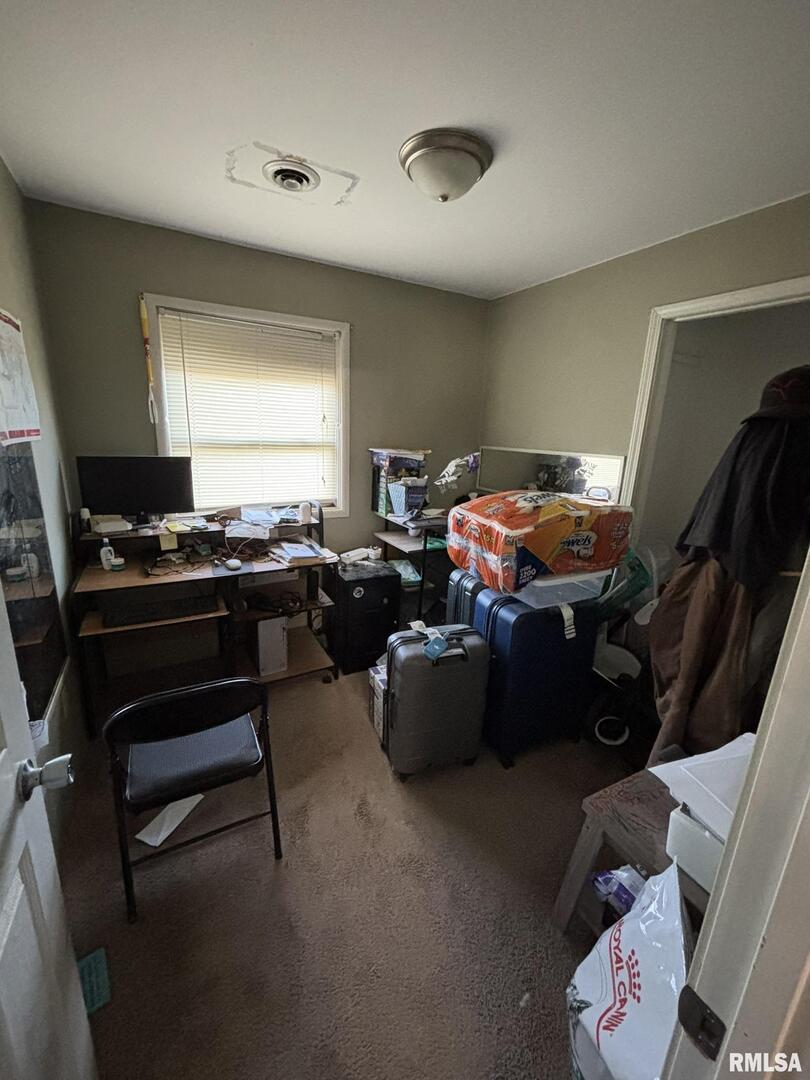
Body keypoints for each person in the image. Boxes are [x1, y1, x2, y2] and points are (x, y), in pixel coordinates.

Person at [648, 365, 810, 760]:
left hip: (728, 577)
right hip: (755, 586)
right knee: (732, 689)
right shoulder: (784, 448)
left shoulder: (749, 445)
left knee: (706, 685)